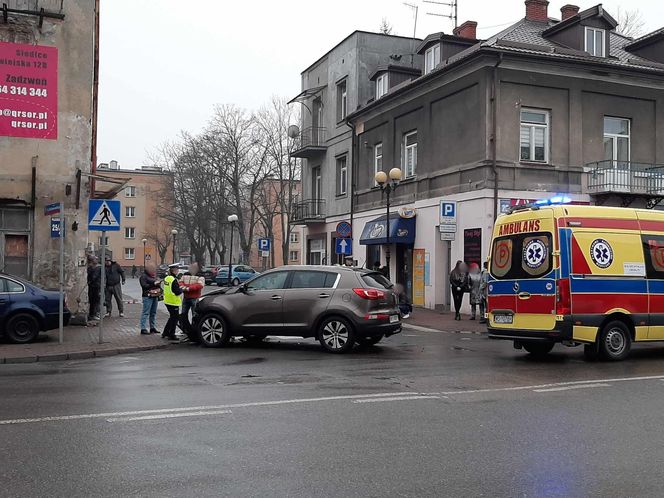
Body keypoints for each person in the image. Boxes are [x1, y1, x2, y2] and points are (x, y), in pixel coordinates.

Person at [179, 262, 205, 343]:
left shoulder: (200, 276)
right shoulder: (185, 275)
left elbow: (199, 285)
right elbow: (180, 282)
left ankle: (194, 331)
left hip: (195, 298)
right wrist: (185, 287)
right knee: (183, 314)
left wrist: (188, 288)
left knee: (195, 315)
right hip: (186, 298)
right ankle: (185, 329)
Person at [162, 263, 187, 340]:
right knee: (175, 319)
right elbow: (177, 291)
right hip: (173, 302)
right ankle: (171, 334)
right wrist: (182, 289)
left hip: (167, 301)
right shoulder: (174, 280)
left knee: (172, 318)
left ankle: (165, 332)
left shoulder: (167, 278)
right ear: (174, 271)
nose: (178, 271)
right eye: (177, 270)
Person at [139, 262, 162, 335]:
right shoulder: (143, 276)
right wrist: (154, 284)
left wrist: (158, 284)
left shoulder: (154, 276)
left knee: (153, 312)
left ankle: (152, 327)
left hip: (155, 295)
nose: (153, 270)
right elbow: (144, 286)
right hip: (147, 296)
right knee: (145, 312)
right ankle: (143, 328)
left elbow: (157, 285)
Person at [87, 255, 101, 321]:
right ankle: (93, 315)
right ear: (92, 261)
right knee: (93, 301)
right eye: (95, 259)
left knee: (96, 301)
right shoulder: (91, 268)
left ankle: (94, 314)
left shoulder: (96, 267)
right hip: (93, 287)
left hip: (96, 286)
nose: (97, 260)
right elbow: (93, 277)